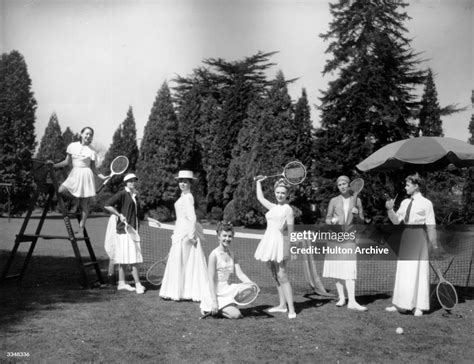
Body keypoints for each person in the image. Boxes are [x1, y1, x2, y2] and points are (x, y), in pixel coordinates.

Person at [385, 173, 437, 317]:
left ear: (416, 185)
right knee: (404, 270)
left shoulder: (426, 203)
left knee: (419, 271)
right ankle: (402, 304)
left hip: (419, 236)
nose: (405, 187)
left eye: (408, 185)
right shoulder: (404, 202)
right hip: (406, 236)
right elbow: (396, 221)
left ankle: (419, 306)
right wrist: (390, 209)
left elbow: (431, 225)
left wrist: (434, 244)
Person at [104, 173, 160, 294]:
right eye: (130, 181)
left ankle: (121, 283)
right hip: (124, 231)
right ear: (126, 182)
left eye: (134, 180)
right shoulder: (122, 194)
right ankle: (138, 284)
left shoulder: (134, 196)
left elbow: (139, 215)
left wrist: (152, 220)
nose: (132, 183)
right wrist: (119, 215)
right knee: (133, 258)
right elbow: (107, 205)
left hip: (132, 231)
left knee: (124, 258)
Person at [159, 170, 208, 301]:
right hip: (180, 231)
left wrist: (191, 236)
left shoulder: (188, 197)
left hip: (185, 234)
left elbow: (192, 217)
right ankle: (179, 291)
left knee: (183, 261)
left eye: (185, 181)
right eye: (181, 181)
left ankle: (182, 292)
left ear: (190, 183)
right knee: (180, 261)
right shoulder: (183, 196)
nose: (182, 183)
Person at [254, 177, 296, 319]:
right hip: (268, 242)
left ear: (287, 195)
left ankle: (291, 309)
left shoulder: (288, 209)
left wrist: (289, 248)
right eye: (278, 192)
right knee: (275, 275)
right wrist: (258, 181)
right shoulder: (273, 207)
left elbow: (290, 231)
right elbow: (260, 197)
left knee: (282, 275)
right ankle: (282, 305)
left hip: (278, 242)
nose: (280, 195)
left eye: (283, 193)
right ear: (275, 193)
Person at [323, 175, 367, 311]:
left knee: (349, 268)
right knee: (337, 269)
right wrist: (332, 221)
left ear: (349, 185)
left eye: (344, 184)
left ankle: (352, 301)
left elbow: (362, 221)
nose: (342, 186)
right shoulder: (334, 201)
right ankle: (342, 298)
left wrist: (357, 214)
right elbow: (327, 219)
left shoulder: (357, 200)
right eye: (339, 184)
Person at [51, 126, 106, 231]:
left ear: (91, 138)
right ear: (81, 134)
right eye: (87, 133)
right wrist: (53, 165)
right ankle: (72, 209)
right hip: (74, 174)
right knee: (60, 190)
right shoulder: (72, 146)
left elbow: (94, 168)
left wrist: (102, 177)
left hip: (86, 175)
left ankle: (81, 228)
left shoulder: (92, 150)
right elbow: (67, 162)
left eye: (90, 135)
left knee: (84, 204)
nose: (88, 136)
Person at [200, 221, 255, 319]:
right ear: (218, 236)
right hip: (214, 292)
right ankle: (210, 308)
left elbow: (240, 274)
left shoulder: (232, 254)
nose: (227, 239)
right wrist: (214, 301)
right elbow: (211, 280)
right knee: (237, 315)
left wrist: (252, 284)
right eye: (224, 236)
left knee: (245, 288)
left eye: (229, 236)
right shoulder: (214, 255)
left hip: (226, 289)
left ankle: (222, 307)